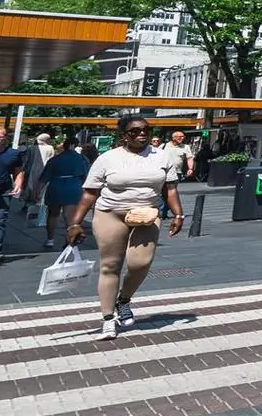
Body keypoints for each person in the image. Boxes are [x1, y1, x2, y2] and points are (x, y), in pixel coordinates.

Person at [67, 119, 184, 339]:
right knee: (110, 265)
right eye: (135, 131)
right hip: (110, 213)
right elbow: (89, 193)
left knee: (140, 262)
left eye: (146, 130)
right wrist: (75, 223)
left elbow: (170, 189)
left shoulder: (161, 155)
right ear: (123, 135)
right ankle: (108, 318)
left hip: (146, 214)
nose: (142, 134)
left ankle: (124, 299)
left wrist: (178, 214)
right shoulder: (107, 158)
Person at [40, 141, 92, 248]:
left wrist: (37, 191)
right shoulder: (81, 159)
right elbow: (86, 176)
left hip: (56, 186)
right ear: (73, 146)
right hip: (73, 186)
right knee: (69, 216)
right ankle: (69, 240)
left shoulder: (55, 159)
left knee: (52, 214)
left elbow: (44, 177)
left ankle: (50, 239)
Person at [0, 128, 26, 265]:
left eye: (0, 136)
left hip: (2, 192)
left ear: (5, 139)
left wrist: (18, 183)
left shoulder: (13, 154)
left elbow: (19, 171)